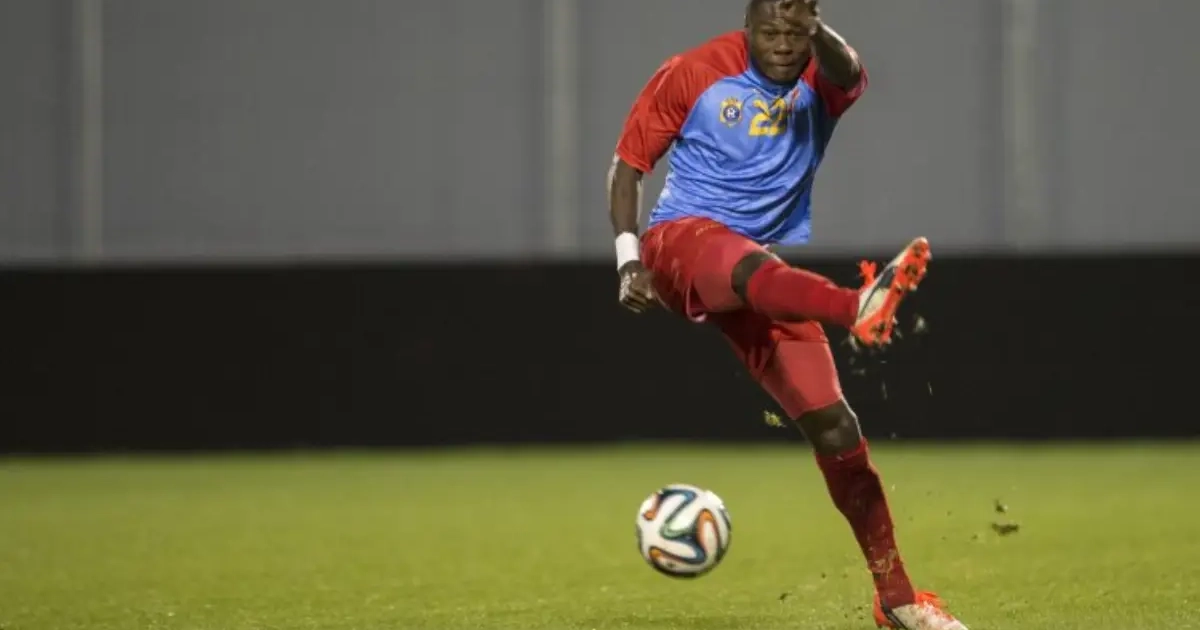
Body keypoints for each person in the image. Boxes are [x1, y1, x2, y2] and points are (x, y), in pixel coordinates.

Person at [606, 1, 969, 629]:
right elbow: (629, 165)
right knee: (745, 264)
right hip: (678, 244)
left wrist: (815, 31)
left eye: (795, 31)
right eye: (769, 30)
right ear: (747, 27)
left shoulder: (821, 76)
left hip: (757, 275)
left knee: (837, 429)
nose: (781, 43)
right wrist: (628, 260)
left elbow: (848, 69)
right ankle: (855, 306)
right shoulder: (692, 72)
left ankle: (898, 600)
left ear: (813, 29)